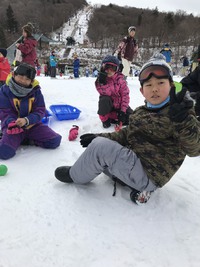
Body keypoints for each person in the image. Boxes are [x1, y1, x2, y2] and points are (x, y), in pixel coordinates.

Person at [54, 53, 200, 205]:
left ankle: (74, 175)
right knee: (101, 153)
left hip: (149, 174)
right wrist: (98, 136)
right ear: (142, 91)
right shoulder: (142, 111)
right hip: (133, 165)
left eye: (161, 83)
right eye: (149, 85)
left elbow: (195, 149)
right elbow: (127, 134)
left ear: (171, 85)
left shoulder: (180, 114)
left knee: (100, 150)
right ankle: (137, 189)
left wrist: (183, 121)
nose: (155, 89)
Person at [0, 63, 62, 160]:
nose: (23, 81)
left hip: (32, 125)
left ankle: (25, 139)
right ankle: (14, 137)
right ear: (13, 75)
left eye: (27, 79)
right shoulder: (4, 90)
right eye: (20, 77)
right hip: (13, 128)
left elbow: (40, 110)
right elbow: (4, 111)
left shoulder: (35, 91)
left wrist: (27, 120)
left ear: (31, 81)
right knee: (4, 152)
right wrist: (11, 122)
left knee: (55, 141)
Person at [95, 55, 133, 128]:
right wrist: (102, 83)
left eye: (113, 68)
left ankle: (115, 116)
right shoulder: (101, 81)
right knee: (104, 99)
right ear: (102, 68)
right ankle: (105, 119)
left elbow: (125, 96)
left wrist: (123, 111)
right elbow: (102, 93)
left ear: (117, 69)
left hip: (119, 106)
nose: (109, 70)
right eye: (107, 67)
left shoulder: (121, 80)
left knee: (132, 118)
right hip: (109, 106)